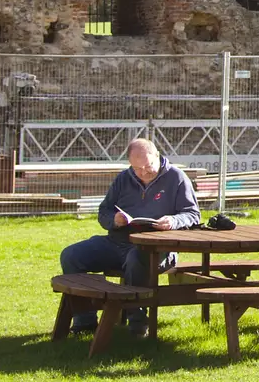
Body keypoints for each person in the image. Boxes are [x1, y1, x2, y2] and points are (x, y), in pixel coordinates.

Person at [58, 137, 201, 336]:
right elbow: (103, 212)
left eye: (147, 166)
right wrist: (114, 220)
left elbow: (193, 214)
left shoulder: (177, 178)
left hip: (156, 249)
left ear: (157, 156)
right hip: (117, 242)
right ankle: (85, 321)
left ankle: (138, 325)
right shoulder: (123, 179)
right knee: (71, 255)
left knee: (136, 259)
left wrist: (173, 221)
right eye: (136, 168)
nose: (143, 172)